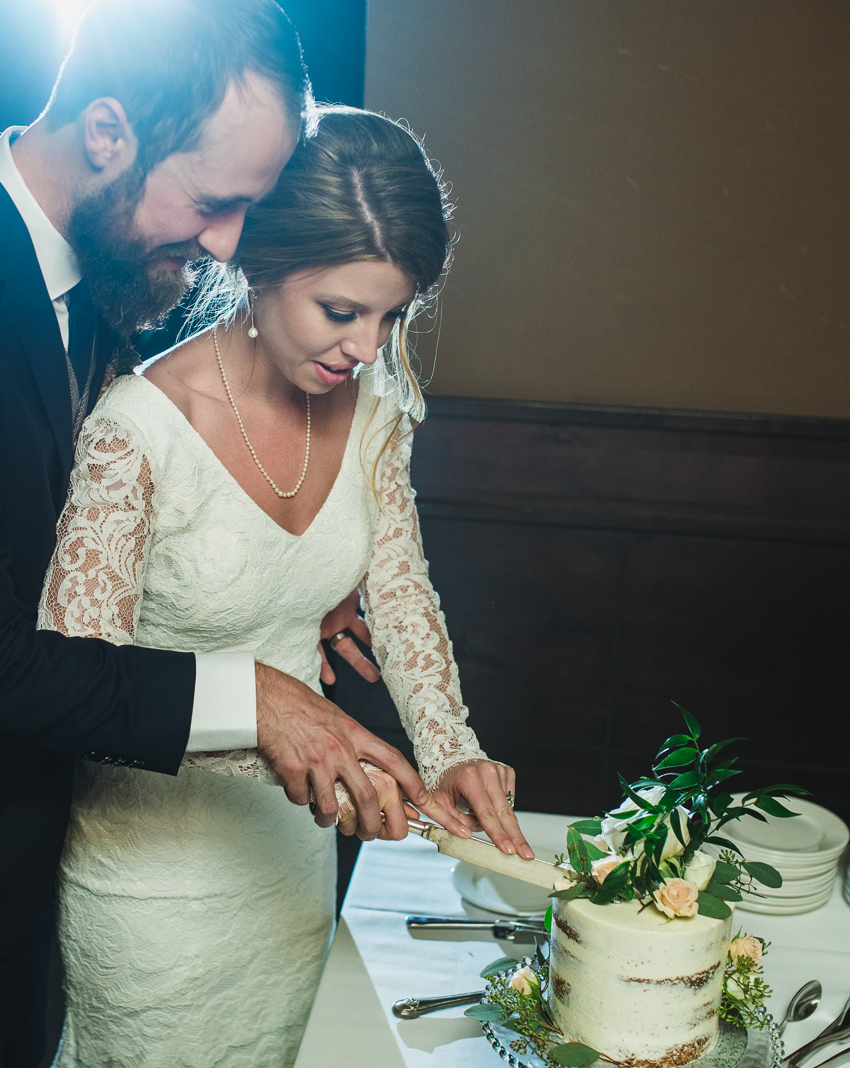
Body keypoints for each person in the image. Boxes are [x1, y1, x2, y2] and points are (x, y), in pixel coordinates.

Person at [0, 3, 471, 1065]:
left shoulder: (113, 265)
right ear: (109, 134)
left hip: (55, 821)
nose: (224, 245)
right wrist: (251, 693)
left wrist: (291, 577)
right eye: (215, 203)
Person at [39, 105, 532, 1067]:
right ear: (257, 264)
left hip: (295, 863)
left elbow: (401, 589)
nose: (365, 347)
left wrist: (450, 753)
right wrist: (312, 751)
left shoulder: (375, 405)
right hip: (153, 892)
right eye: (342, 312)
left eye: (393, 316)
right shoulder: (135, 430)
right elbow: (73, 691)